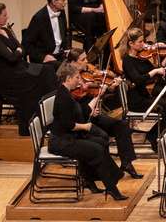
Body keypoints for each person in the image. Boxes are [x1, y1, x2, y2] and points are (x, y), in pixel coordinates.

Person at [47, 60, 133, 198]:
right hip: (61, 142)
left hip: (70, 137)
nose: (79, 80)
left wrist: (99, 95)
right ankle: (111, 188)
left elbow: (84, 110)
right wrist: (85, 126)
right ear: (68, 79)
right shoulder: (63, 97)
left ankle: (91, 180)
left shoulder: (67, 93)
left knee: (101, 142)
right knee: (96, 150)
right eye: (76, 78)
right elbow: (67, 124)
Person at [0, 2, 57, 131]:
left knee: (49, 69)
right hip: (9, 77)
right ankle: (41, 117)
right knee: (43, 76)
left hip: (20, 68)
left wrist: (16, 51)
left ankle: (49, 113)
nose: (7, 17)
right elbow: (12, 57)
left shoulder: (6, 30)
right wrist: (16, 52)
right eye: (4, 15)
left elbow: (22, 48)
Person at [23, 0, 80, 65]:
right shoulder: (38, 18)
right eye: (63, 0)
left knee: (79, 60)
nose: (66, 2)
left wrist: (68, 49)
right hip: (45, 56)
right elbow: (26, 45)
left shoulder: (61, 13)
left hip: (59, 53)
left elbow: (65, 35)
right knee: (65, 68)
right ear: (54, 2)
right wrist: (43, 57)